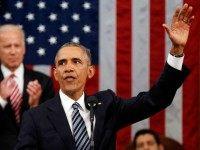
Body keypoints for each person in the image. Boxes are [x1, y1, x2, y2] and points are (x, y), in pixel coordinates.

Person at [15, 3, 193, 150]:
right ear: (55, 73)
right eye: (62, 63)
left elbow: (155, 100)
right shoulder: (35, 117)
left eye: (76, 61)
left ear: (90, 71)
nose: (68, 67)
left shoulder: (106, 105)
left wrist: (177, 51)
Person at [0, 24, 55, 149]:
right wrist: (1, 99)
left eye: (17, 46)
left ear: (24, 49)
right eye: (7, 46)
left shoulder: (44, 82)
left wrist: (35, 106)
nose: (13, 51)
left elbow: (50, 128)